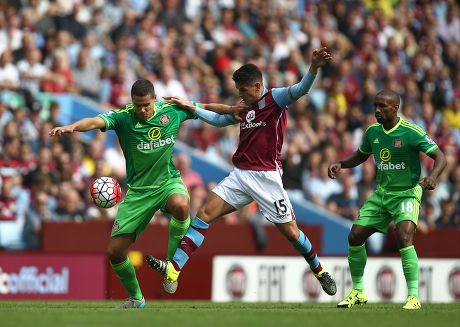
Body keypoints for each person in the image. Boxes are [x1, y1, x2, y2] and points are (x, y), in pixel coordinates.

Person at [146, 47, 337, 297]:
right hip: (240, 175)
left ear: (258, 86)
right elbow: (218, 120)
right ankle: (173, 270)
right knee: (203, 213)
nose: (240, 95)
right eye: (238, 91)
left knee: (291, 232)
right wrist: (192, 109)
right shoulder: (245, 107)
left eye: (243, 90)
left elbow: (301, 89)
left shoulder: (275, 99)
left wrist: (313, 67)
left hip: (267, 177)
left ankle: (320, 270)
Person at [49, 79, 244, 308]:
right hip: (138, 193)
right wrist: (72, 127)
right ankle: (136, 298)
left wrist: (231, 109)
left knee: (181, 205)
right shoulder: (124, 116)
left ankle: (172, 268)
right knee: (115, 252)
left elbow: (205, 108)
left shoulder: (171, 111)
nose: (141, 110)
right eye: (137, 104)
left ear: (154, 99)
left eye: (145, 105)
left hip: (167, 183)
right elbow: (95, 120)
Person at [327, 89, 446, 310]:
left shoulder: (411, 131)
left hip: (407, 192)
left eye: (382, 106)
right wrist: (342, 164)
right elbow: (362, 154)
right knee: (355, 236)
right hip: (383, 193)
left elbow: (440, 156)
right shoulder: (373, 132)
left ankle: (413, 296)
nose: (377, 110)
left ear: (395, 108)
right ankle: (358, 291)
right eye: (375, 105)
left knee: (403, 237)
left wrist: (432, 176)